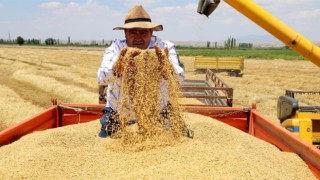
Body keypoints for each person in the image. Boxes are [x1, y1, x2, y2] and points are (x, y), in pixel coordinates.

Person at [97, 5, 184, 138]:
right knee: (106, 142)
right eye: (133, 32)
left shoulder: (164, 47)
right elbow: (101, 78)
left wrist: (166, 68)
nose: (138, 37)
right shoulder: (116, 48)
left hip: (157, 111)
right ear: (125, 33)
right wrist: (117, 68)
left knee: (176, 140)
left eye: (143, 32)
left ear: (151, 32)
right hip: (118, 112)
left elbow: (180, 78)